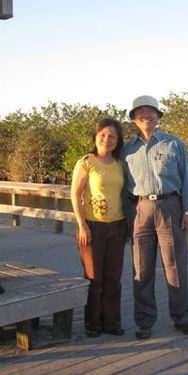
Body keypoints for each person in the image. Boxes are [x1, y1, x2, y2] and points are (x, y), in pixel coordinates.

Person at [123, 95, 188, 339]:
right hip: (140, 209)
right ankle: (144, 322)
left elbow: (187, 180)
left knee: (175, 267)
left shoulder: (174, 144)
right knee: (141, 270)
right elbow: (123, 187)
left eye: (151, 111)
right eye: (141, 112)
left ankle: (182, 318)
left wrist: (187, 210)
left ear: (158, 116)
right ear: (134, 118)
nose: (146, 115)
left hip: (170, 207)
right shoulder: (126, 150)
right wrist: (127, 218)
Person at [71, 118, 127, 337]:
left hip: (118, 226)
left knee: (113, 278)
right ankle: (93, 324)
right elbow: (75, 195)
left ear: (118, 140)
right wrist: (82, 225)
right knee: (94, 278)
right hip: (92, 227)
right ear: (95, 137)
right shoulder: (86, 162)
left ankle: (112, 322)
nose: (107, 139)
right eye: (103, 135)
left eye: (112, 136)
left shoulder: (121, 163)